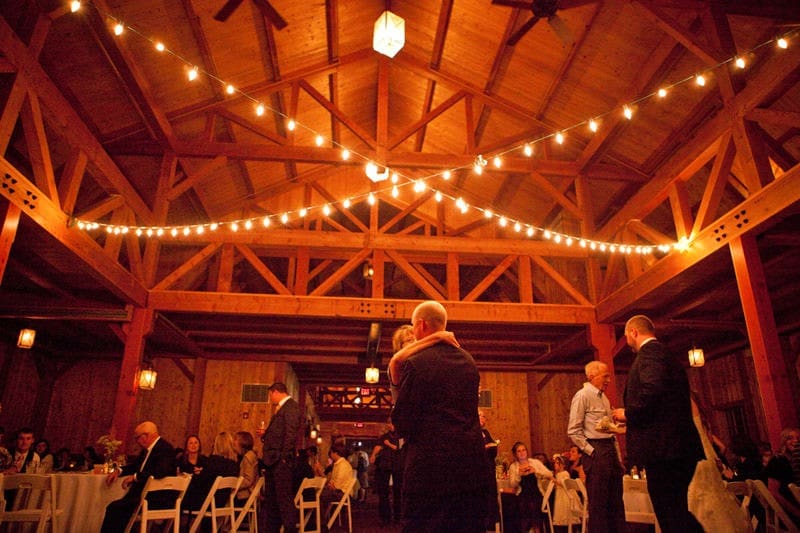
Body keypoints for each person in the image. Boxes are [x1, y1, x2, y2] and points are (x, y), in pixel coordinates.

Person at [391, 300, 496, 532]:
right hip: (470, 468)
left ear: (420, 325)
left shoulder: (417, 363)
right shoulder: (468, 361)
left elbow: (403, 424)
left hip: (430, 471)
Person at [612, 315, 703, 533]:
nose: (628, 341)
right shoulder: (662, 354)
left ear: (634, 332)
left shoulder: (651, 354)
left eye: (627, 336)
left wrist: (629, 414)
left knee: (670, 513)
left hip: (665, 451)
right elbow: (662, 404)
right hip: (672, 447)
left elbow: (653, 390)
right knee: (674, 511)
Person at [567, 360, 625, 532]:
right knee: (599, 505)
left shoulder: (604, 398)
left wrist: (618, 457)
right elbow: (573, 431)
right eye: (605, 376)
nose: (608, 380)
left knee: (616, 502)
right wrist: (591, 451)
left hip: (610, 449)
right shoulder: (582, 396)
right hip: (596, 450)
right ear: (592, 376)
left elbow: (607, 430)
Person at [100, 421, 176, 533]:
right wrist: (119, 471)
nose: (137, 442)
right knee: (118, 508)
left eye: (137, 438)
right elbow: (136, 466)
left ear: (146, 436)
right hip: (145, 495)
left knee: (115, 508)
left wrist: (135, 477)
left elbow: (160, 471)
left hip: (155, 498)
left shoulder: (165, 449)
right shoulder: (148, 450)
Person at [257, 382, 301, 533]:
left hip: (279, 461)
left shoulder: (291, 407)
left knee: (283, 501)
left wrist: (282, 457)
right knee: (273, 501)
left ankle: (289, 530)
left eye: (270, 395)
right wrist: (265, 436)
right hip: (272, 460)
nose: (270, 399)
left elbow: (291, 434)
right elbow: (281, 434)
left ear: (275, 392)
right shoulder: (283, 408)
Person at [182, 432, 240, 512]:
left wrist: (196, 475)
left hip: (206, 503)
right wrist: (203, 471)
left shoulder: (214, 461)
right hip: (221, 503)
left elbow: (201, 482)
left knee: (177, 499)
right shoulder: (234, 465)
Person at [506, 441, 553, 533]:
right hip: (522, 494)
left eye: (524, 450)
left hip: (536, 493)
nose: (522, 452)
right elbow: (512, 484)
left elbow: (549, 473)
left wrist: (535, 471)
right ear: (515, 454)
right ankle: (527, 529)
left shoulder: (535, 462)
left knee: (532, 505)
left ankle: (536, 529)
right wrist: (519, 475)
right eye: (519, 451)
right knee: (522, 506)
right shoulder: (513, 466)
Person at [763, 427, 800, 522]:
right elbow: (773, 493)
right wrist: (796, 512)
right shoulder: (777, 461)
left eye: (798, 438)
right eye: (790, 438)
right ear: (784, 441)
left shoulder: (796, 461)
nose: (795, 441)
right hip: (788, 510)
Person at [370, 418, 402, 525]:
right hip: (385, 466)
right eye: (389, 423)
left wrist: (388, 444)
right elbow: (378, 446)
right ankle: (385, 517)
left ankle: (398, 517)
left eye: (392, 423)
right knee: (383, 493)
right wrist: (373, 455)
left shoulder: (401, 436)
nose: (390, 425)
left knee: (398, 492)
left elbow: (399, 448)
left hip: (398, 466)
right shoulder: (385, 437)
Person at [319, 443, 354, 531]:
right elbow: (331, 483)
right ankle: (320, 523)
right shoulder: (338, 464)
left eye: (331, 452)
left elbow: (335, 486)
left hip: (342, 493)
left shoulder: (343, 465)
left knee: (318, 496)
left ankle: (322, 525)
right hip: (338, 491)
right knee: (318, 494)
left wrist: (321, 474)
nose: (330, 455)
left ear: (336, 453)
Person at [234, 431, 260, 505]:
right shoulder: (252, 455)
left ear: (243, 442)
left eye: (236, 439)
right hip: (250, 495)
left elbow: (248, 480)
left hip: (245, 495)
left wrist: (235, 485)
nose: (233, 442)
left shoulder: (247, 457)